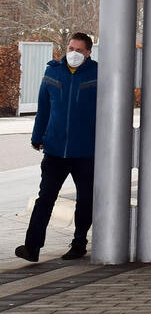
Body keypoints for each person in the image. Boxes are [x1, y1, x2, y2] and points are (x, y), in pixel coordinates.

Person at [16, 32, 98, 262]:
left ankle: (79, 242)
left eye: (79, 50)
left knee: (86, 199)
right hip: (54, 150)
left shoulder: (98, 74)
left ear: (89, 52)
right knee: (45, 198)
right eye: (71, 48)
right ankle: (31, 247)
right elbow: (44, 108)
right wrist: (37, 136)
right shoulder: (52, 71)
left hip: (85, 152)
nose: (73, 53)